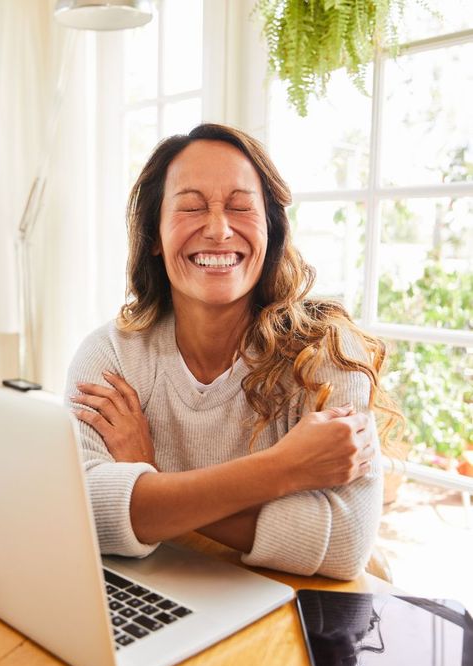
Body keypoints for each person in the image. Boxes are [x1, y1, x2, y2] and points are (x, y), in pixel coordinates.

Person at [66, 123, 400, 581]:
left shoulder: (324, 352)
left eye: (242, 207)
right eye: (190, 207)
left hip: (293, 609)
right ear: (154, 239)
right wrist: (286, 468)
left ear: (270, 232)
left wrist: (150, 477)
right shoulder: (111, 355)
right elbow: (85, 512)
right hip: (169, 597)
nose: (219, 230)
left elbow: (344, 545)